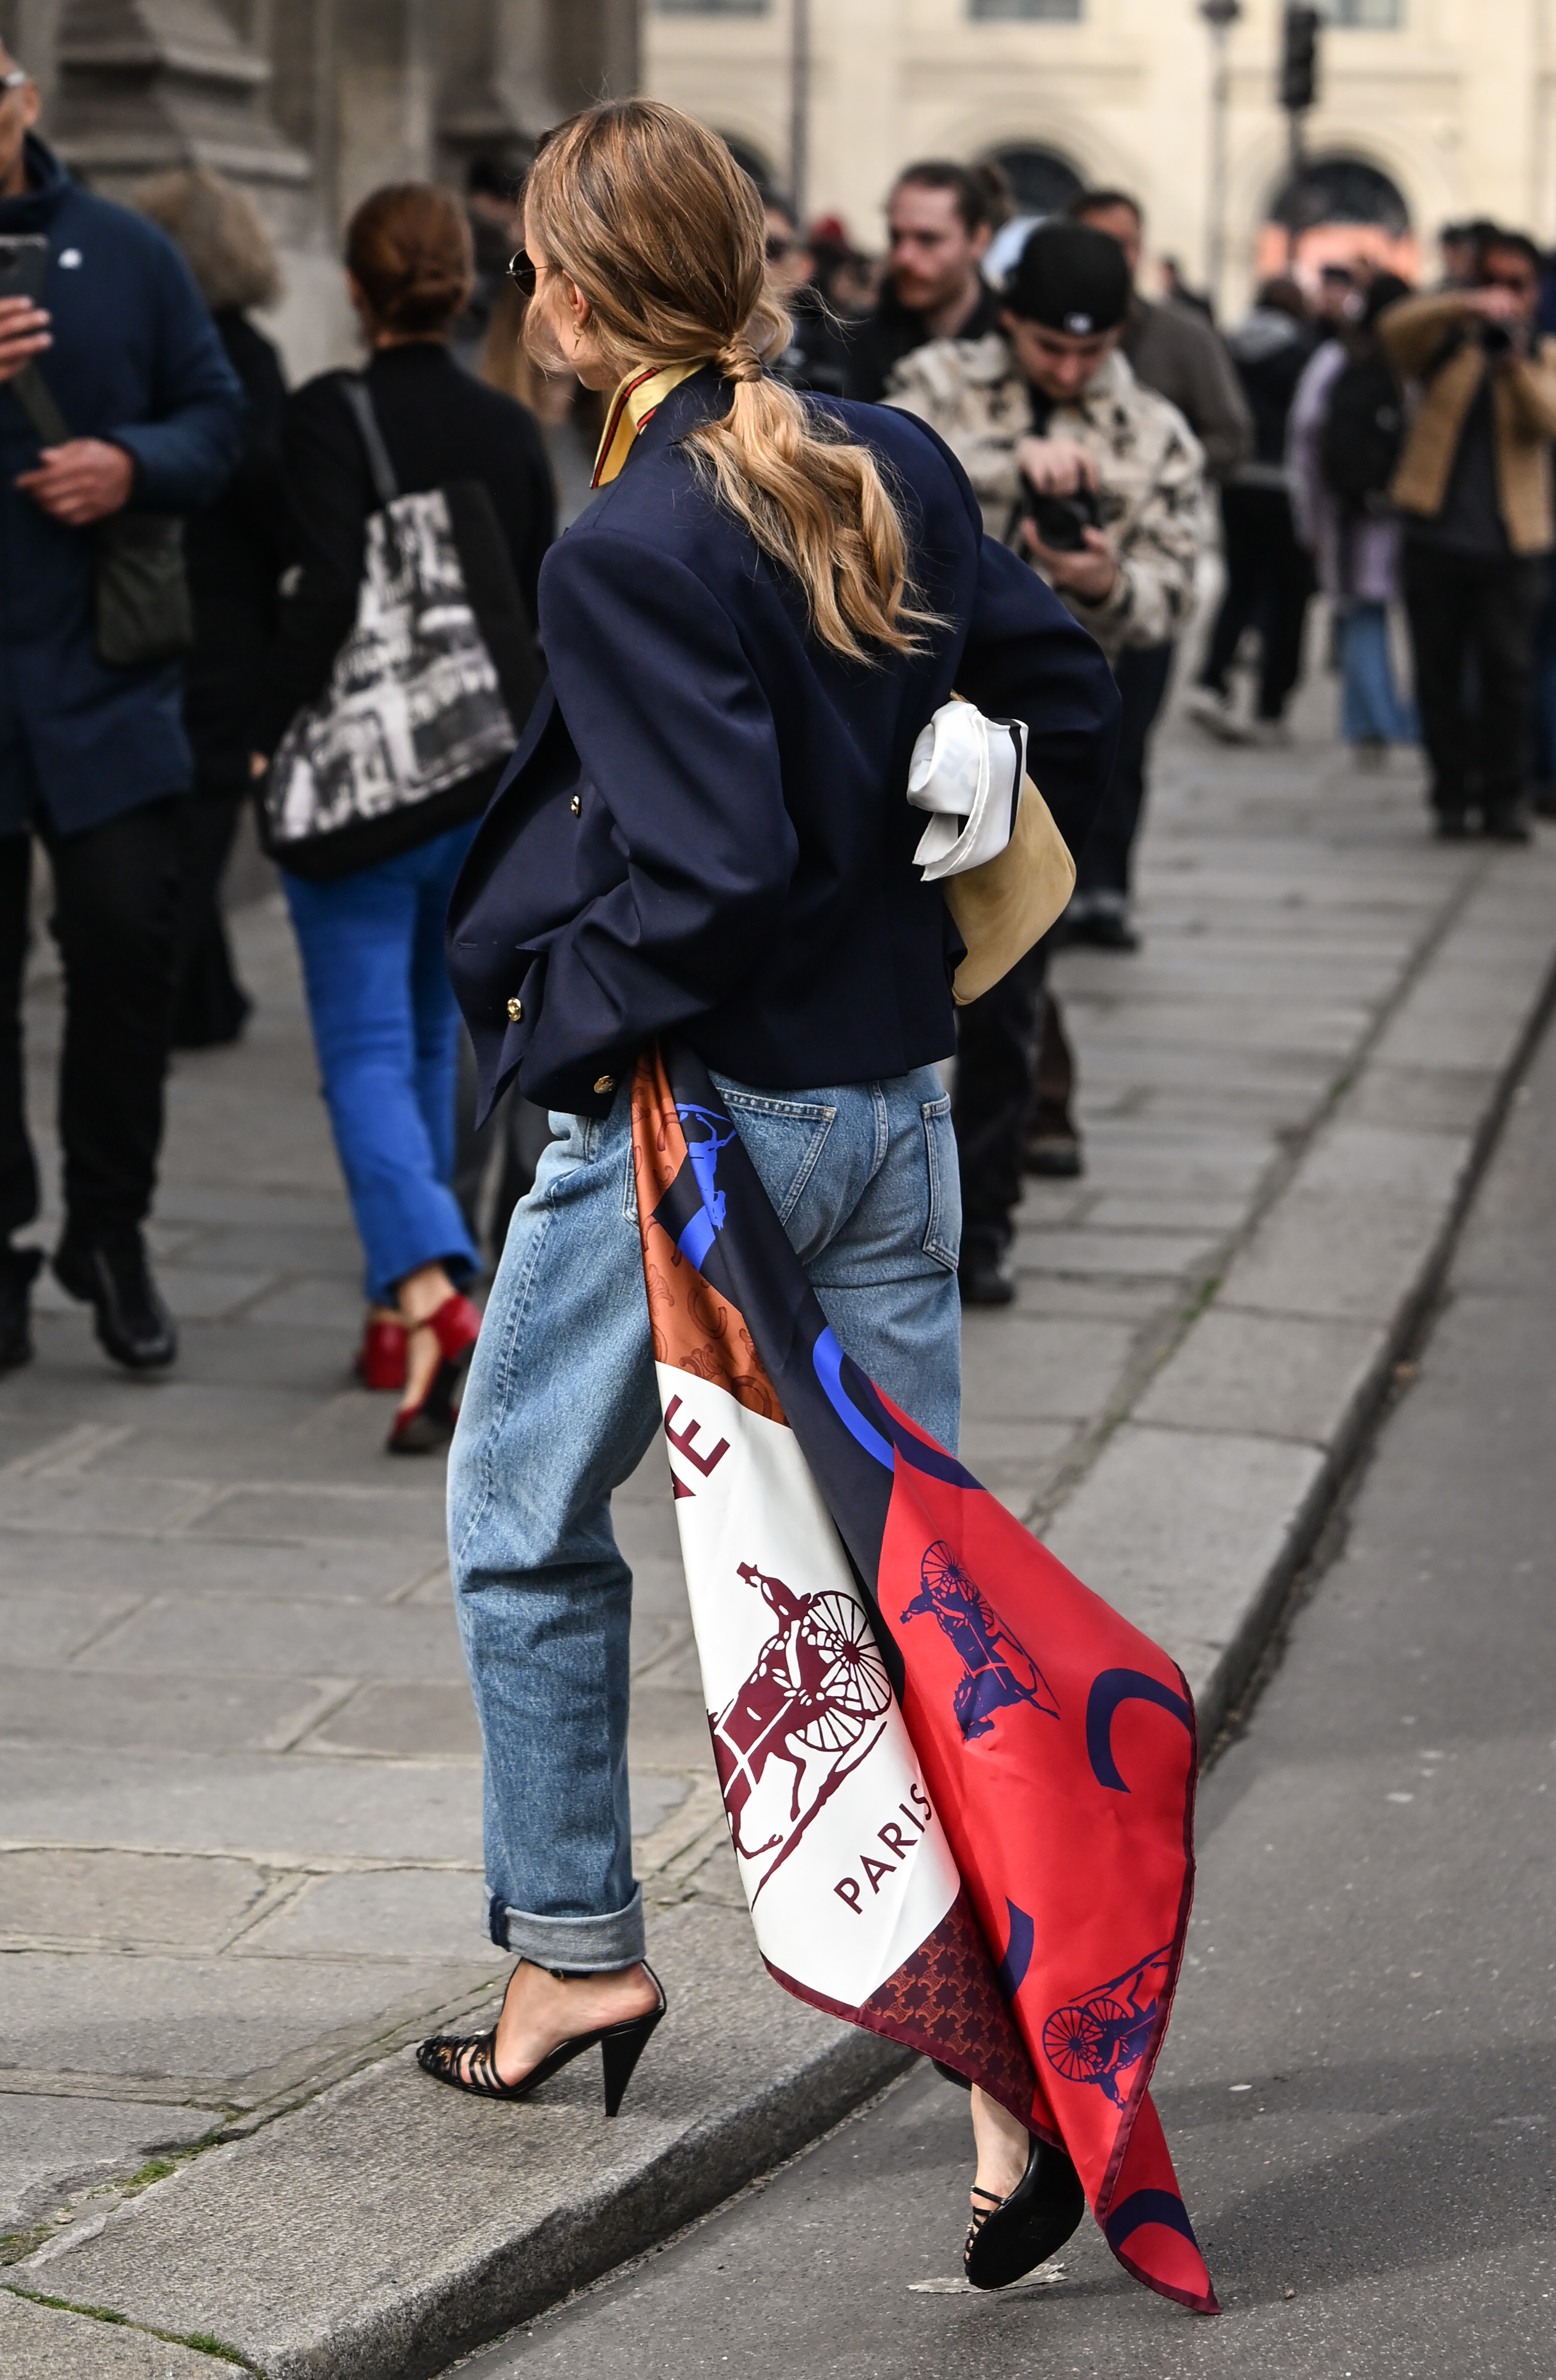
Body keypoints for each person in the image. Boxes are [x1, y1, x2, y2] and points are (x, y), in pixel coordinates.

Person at [420, 100, 1117, 2255]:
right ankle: (1013, 2089)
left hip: (695, 1123)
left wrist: (546, 1014)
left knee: (520, 1510)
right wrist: (959, 756)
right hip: (895, 1087)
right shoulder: (886, 451)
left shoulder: (623, 539)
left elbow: (701, 876)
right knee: (907, 1586)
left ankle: (571, 1951)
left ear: (564, 287)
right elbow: (1058, 676)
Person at [248, 183, 555, 1436]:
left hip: (364, 792)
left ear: (361, 293)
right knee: (434, 1042)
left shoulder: (331, 415)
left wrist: (261, 726)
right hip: (480, 783)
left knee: (367, 1053)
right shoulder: (504, 424)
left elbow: (322, 594)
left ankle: (435, 1291)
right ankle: (398, 1325)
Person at [887, 222, 1202, 1299]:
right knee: (888, 955)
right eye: (1045, 348)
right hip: (921, 713)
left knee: (1011, 982)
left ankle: (983, 1226)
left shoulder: (1153, 430)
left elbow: (1178, 588)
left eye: (1091, 350)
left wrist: (1110, 581)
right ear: (1007, 318)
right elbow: (865, 487)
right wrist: (996, 468)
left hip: (1054, 737)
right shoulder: (933, 382)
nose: (1067, 371)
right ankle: (875, 1204)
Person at [0, 47, 246, 1376]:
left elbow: (219, 420)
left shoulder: (129, 251)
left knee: (124, 965)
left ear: (25, 99)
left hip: (106, 685)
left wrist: (129, 462)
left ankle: (111, 1231)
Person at [132, 168, 289, 1050]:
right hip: (221, 613)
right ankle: (158, 992)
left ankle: (205, 995)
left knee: (174, 803)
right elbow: (267, 485)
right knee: (198, 813)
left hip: (130, 598)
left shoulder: (142, 346)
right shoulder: (242, 356)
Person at [1380, 228, 1556, 838]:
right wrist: (1464, 307)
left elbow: (1548, 419)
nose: (1506, 297)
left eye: (1518, 285)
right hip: (1436, 535)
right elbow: (1392, 329)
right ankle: (1450, 793)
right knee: (1439, 674)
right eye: (1494, 282)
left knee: (1508, 675)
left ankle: (1504, 798)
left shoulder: (1544, 355)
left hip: (1514, 544)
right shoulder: (1448, 341)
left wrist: (1514, 366)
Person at [1287, 272, 1416, 760]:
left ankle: (1368, 720)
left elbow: (1306, 438)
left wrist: (1310, 516)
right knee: (1369, 614)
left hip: (1348, 512)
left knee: (1360, 612)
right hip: (1398, 512)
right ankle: (1380, 721)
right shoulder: (1411, 366)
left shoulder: (1339, 359)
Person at [1187, 277, 1316, 745]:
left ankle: (1212, 679)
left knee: (1239, 586)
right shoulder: (1304, 353)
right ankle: (1271, 706)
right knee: (1289, 598)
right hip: (1286, 485)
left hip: (1238, 481)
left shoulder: (1229, 345)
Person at [1068, 189, 1252, 483]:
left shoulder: (1188, 337)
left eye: (1125, 244)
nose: (1114, 257)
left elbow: (1231, 438)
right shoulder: (1046, 334)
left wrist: (1154, 467)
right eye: (1099, 244)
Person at [846, 159, 999, 402]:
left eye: (928, 239)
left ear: (979, 241)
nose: (904, 257)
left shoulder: (1017, 346)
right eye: (896, 237)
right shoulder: (850, 345)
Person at [763, 194, 852, 397]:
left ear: (804, 268)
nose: (754, 262)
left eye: (772, 249)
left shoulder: (840, 354)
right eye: (739, 247)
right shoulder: (696, 345)